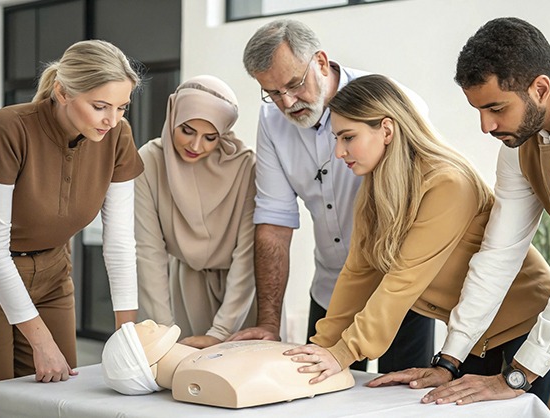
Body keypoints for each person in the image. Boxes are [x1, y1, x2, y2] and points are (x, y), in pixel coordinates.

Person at [283, 74, 550, 403]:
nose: (339, 151)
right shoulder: (374, 191)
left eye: (347, 137)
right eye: (336, 139)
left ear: (386, 129)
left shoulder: (447, 182)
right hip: (473, 334)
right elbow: (357, 274)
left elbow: (404, 278)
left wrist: (345, 352)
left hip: (526, 323)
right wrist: (319, 350)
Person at [380, 17, 550, 412]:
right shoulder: (520, 144)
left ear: (539, 87)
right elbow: (499, 253)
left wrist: (517, 375)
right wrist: (450, 360)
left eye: (496, 108)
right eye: (479, 110)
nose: (486, 126)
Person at [228, 18, 435, 373]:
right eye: (273, 93)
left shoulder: (394, 102)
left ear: (321, 62)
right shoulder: (272, 121)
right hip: (331, 290)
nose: (288, 101)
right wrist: (268, 322)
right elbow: (274, 221)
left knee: (398, 402)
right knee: (319, 394)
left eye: (294, 84)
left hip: (398, 290)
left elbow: (419, 209)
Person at [0, 39, 143, 401]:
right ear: (63, 92)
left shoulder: (117, 137)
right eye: (100, 107)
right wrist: (41, 341)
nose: (112, 120)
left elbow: (120, 241)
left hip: (52, 277)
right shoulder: (8, 129)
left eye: (122, 108)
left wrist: (127, 334)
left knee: (60, 398)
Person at [135, 75, 256, 349]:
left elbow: (248, 254)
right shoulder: (149, 160)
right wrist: (163, 334)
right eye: (187, 130)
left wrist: (222, 330)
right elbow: (148, 252)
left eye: (210, 137)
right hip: (184, 289)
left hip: (243, 294)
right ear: (173, 116)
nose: (196, 146)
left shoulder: (246, 166)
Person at [101, 320, 354, 408]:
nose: (146, 323)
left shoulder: (209, 358)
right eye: (137, 332)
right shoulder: (206, 374)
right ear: (142, 359)